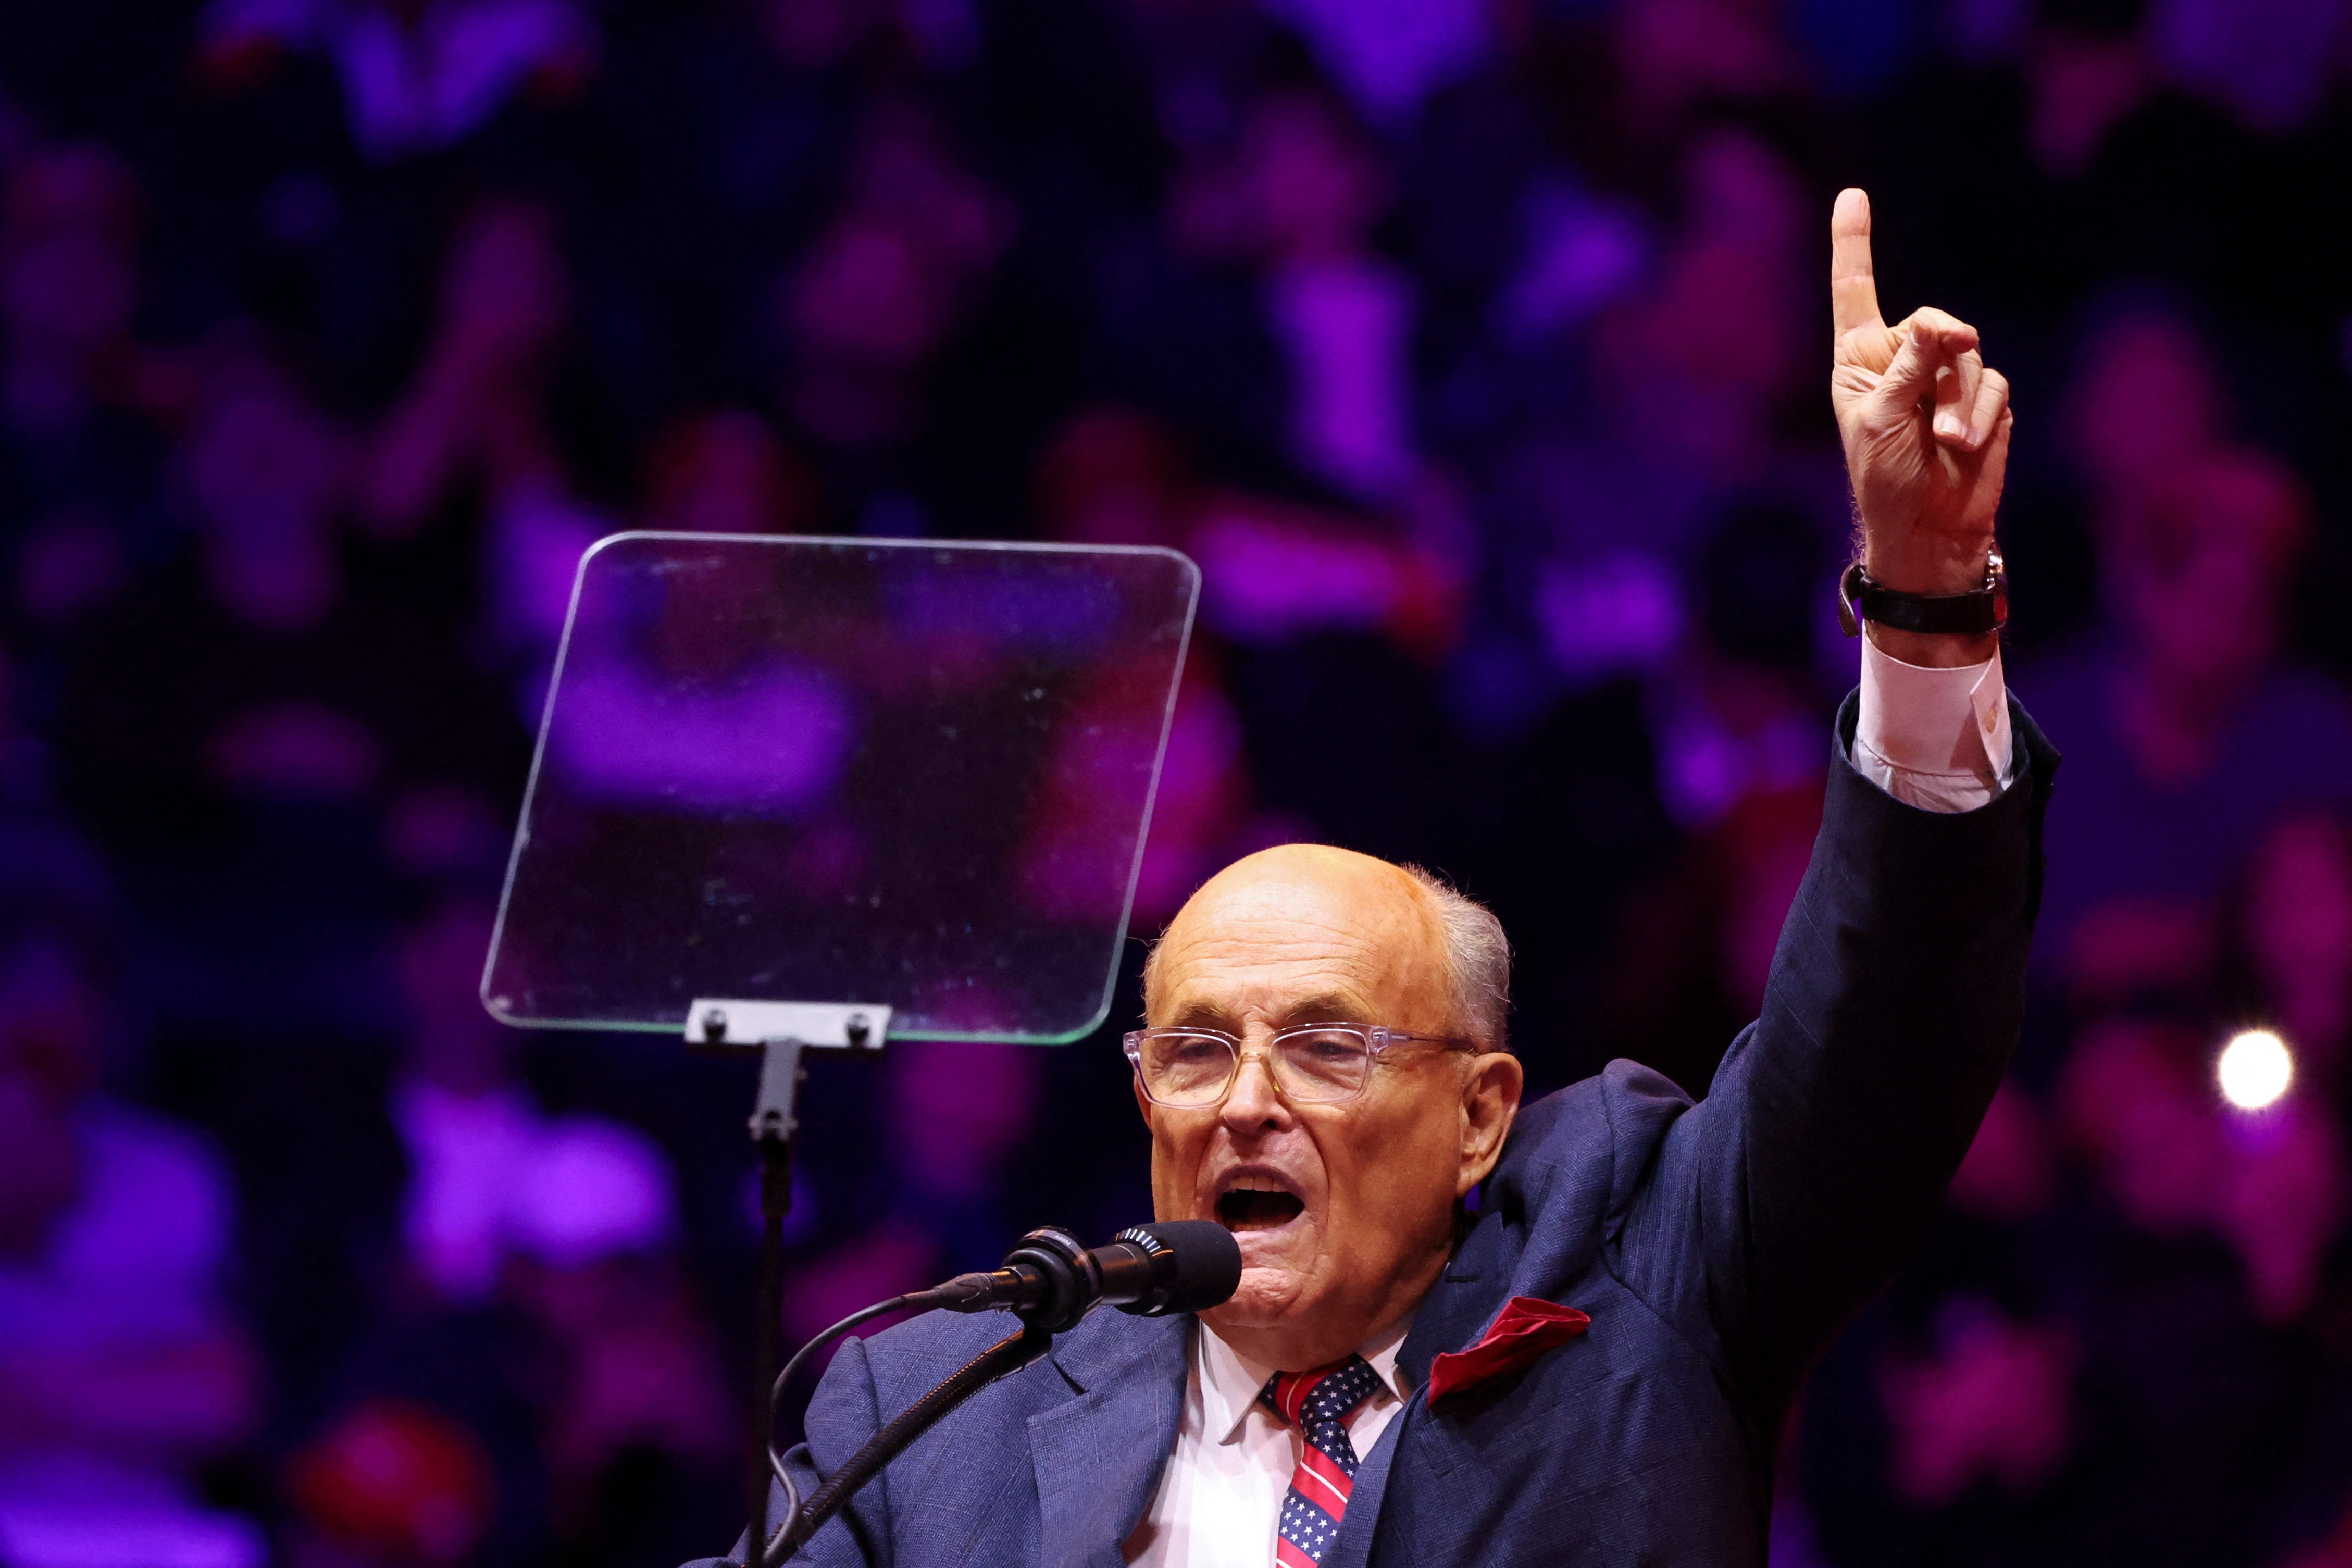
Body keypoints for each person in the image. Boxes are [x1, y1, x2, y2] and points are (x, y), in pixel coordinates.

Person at [694, 188, 2048, 1567]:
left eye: (1328, 1046)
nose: (1245, 1102)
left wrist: (1926, 605)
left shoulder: (1650, 1280)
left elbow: (1880, 1038)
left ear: (1478, 1113)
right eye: (1195, 1052)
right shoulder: (941, 1406)